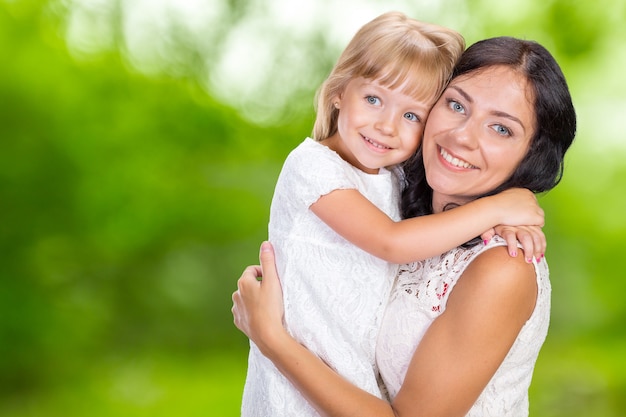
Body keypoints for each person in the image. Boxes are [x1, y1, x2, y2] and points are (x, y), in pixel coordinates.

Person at [233, 35, 576, 416]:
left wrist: (272, 338)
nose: (463, 136)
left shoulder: (503, 266)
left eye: (501, 129)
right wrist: (497, 211)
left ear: (532, 156)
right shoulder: (401, 206)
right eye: (457, 105)